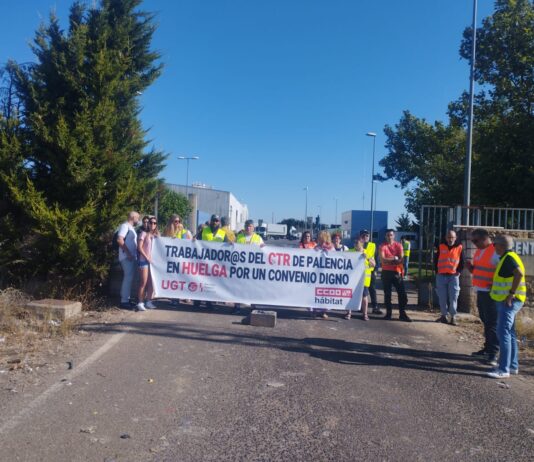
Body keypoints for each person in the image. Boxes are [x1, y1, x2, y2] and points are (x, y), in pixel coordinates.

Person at [487, 235, 527, 379]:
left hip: (509, 301)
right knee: (509, 333)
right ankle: (512, 365)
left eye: (494, 245)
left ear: (501, 246)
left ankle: (503, 369)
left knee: (503, 332)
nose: (493, 247)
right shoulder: (508, 257)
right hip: (509, 300)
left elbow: (519, 274)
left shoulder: (509, 258)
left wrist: (511, 294)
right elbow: (508, 278)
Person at [466, 228, 500, 365]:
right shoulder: (480, 251)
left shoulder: (495, 251)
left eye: (475, 240)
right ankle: (487, 349)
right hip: (481, 291)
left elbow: (503, 272)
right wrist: (471, 268)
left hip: (491, 293)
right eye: (472, 241)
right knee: (486, 322)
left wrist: (495, 285)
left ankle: (493, 353)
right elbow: (480, 270)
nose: (474, 243)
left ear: (484, 238)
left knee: (492, 323)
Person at [379, 229, 411, 322]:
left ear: (394, 236)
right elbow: (382, 260)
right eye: (388, 235)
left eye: (391, 235)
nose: (389, 237)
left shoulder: (398, 245)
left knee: (402, 295)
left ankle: (402, 313)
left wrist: (389, 259)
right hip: (386, 272)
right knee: (387, 295)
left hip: (397, 272)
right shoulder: (382, 246)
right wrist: (394, 258)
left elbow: (401, 259)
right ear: (385, 236)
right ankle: (388, 314)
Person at [434, 229, 464, 326]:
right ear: (446, 238)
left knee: (454, 297)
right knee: (442, 297)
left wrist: (459, 272)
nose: (450, 239)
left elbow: (462, 261)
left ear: (455, 238)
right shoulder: (441, 246)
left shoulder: (459, 247)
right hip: (441, 275)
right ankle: (444, 316)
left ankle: (453, 317)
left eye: (452, 237)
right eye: (449, 237)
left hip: (453, 276)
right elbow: (436, 260)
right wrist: (436, 271)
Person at [116, 211, 140, 309]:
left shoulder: (130, 228)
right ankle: (124, 301)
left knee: (129, 278)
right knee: (128, 277)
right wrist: (128, 253)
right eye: (137, 218)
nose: (138, 220)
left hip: (130, 257)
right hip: (126, 257)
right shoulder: (125, 226)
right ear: (133, 217)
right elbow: (119, 239)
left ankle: (127, 299)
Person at [136, 216, 159, 311]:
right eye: (151, 222)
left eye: (154, 223)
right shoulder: (143, 234)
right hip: (144, 261)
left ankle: (149, 301)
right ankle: (140, 302)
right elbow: (139, 247)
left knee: (151, 283)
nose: (152, 224)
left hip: (153, 262)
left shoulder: (157, 235)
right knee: (143, 282)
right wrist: (147, 257)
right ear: (148, 224)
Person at [311, 231, 335, 319]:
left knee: (326, 293)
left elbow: (337, 258)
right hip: (317, 273)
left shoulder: (331, 248)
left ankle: (323, 311)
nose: (320, 240)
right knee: (315, 292)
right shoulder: (316, 248)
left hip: (327, 274)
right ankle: (314, 310)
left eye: (321, 238)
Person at [348, 236, 373, 321]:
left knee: (364, 297)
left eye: (357, 243)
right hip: (352, 279)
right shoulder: (350, 251)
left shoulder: (367, 252)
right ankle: (349, 313)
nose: (355, 244)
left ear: (361, 243)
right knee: (350, 296)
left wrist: (368, 258)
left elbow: (374, 264)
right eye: (354, 243)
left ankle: (365, 314)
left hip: (363, 280)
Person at [360, 230, 382, 315]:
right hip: (359, 272)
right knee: (360, 290)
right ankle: (360, 306)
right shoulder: (358, 244)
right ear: (360, 236)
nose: (365, 237)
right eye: (363, 235)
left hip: (370, 272)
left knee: (372, 289)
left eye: (367, 235)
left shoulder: (373, 245)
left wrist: (376, 270)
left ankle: (375, 307)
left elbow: (377, 258)